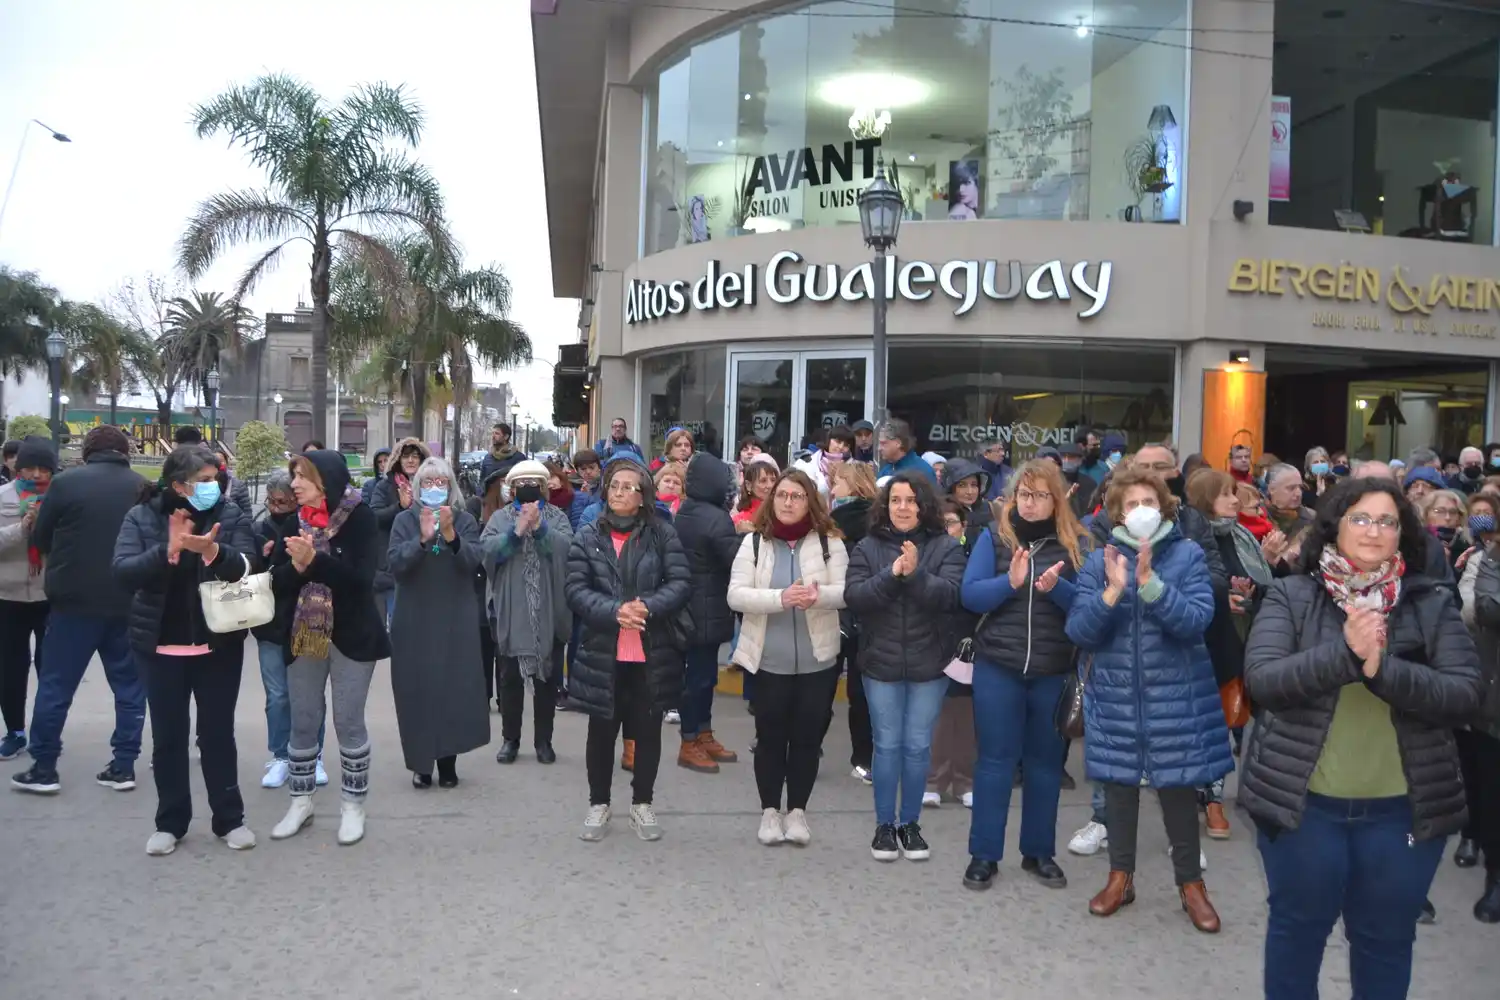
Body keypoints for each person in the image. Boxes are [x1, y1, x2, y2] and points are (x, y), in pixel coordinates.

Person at [1243, 477, 1484, 995]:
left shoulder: (1431, 602)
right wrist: (1345, 655)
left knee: (1385, 943)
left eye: (1387, 521)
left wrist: (1381, 671)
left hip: (1402, 813)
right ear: (1334, 526)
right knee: (1297, 936)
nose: (1374, 531)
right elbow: (1264, 682)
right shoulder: (1293, 594)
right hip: (1303, 809)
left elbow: (1465, 694)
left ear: (1403, 534)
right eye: (1361, 518)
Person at [1066, 465, 1230, 933]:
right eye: (1132, 504)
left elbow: (1197, 620)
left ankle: (1191, 885)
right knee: (1118, 789)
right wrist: (1114, 591)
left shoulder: (1188, 555)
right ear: (1117, 511)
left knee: (1177, 789)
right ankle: (1120, 877)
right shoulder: (1099, 563)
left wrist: (1152, 587)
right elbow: (1080, 630)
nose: (1141, 511)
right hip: (1116, 696)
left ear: (1164, 507)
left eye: (1149, 503)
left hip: (1174, 695)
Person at [114, 445, 258, 856]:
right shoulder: (141, 517)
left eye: (216, 478)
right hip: (159, 648)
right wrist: (168, 551)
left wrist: (211, 551)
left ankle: (229, 819)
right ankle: (170, 822)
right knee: (168, 739)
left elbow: (248, 568)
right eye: (204, 480)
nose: (214, 486)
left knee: (216, 736)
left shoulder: (228, 516)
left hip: (218, 646)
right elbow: (122, 572)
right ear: (178, 485)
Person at [960, 458, 1090, 890]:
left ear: (1057, 500)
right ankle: (984, 856)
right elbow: (971, 596)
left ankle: (1039, 853)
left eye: (1038, 496)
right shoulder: (994, 538)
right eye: (1022, 495)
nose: (1029, 504)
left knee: (1045, 765)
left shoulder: (1076, 545)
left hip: (1053, 670)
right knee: (995, 762)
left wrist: (1060, 589)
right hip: (999, 666)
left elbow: (1090, 611)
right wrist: (1009, 584)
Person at [12, 426, 147, 795]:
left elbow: (40, 537)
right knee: (130, 686)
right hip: (128, 600)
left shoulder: (67, 484)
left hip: (73, 601)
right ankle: (123, 765)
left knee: (56, 684)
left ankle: (44, 766)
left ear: (87, 452)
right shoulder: (141, 487)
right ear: (125, 452)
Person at [565, 458, 691, 842]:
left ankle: (642, 804)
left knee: (648, 731)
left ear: (643, 495)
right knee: (601, 732)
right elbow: (575, 589)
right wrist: (615, 611)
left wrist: (646, 606)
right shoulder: (588, 535)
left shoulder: (662, 534)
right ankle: (599, 804)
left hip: (651, 651)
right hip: (603, 650)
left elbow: (681, 582)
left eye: (628, 487)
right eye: (614, 486)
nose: (619, 492)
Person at [268, 450, 390, 846]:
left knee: (348, 720)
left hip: (353, 633)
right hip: (304, 634)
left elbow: (360, 581)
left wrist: (314, 562)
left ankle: (353, 805)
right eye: (293, 475)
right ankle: (300, 802)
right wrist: (296, 568)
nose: (295, 483)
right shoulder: (290, 521)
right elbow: (276, 583)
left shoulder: (361, 518)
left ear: (326, 480)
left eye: (302, 476)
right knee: (303, 718)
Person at [845, 472, 967, 862]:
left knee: (917, 748)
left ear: (924, 506)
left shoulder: (946, 547)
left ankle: (910, 825)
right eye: (896, 500)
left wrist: (915, 575)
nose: (903, 507)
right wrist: (892, 574)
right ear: (886, 505)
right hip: (880, 662)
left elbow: (951, 596)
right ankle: (884, 826)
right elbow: (856, 596)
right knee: (888, 746)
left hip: (928, 663)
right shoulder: (867, 546)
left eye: (911, 500)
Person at [728, 468, 848, 845]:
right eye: (781, 495)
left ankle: (797, 812)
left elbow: (846, 592)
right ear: (770, 500)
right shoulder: (755, 544)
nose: (788, 502)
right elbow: (736, 595)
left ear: (809, 500)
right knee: (770, 738)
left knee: (807, 739)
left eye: (796, 496)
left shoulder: (830, 542)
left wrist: (818, 596)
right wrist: (780, 599)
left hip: (819, 661)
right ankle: (769, 812)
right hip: (768, 661)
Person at [389, 456, 489, 788]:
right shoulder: (404, 520)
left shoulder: (465, 521)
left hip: (454, 616)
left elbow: (475, 564)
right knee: (417, 688)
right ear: (418, 487)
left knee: (453, 688)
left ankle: (448, 760)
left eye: (441, 483)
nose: (435, 489)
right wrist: (422, 540)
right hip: (414, 616)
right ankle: (421, 763)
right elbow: (396, 565)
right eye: (428, 483)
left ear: (451, 487)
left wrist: (450, 536)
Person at [1187, 468, 1275, 836]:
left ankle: (1212, 795)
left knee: (1224, 726)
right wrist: (1223, 598)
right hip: (1206, 647)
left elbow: (1263, 586)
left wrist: (1252, 589)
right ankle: (1211, 801)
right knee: (1206, 729)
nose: (1235, 500)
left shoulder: (1242, 536)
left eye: (1235, 493)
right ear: (1207, 499)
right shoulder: (1193, 536)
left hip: (1243, 643)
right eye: (1226, 494)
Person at [483, 460, 572, 766]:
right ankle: (510, 739)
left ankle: (543, 741)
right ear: (511, 489)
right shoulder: (499, 517)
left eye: (534, 483)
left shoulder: (557, 517)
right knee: (509, 678)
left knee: (547, 677)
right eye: (521, 484)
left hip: (548, 608)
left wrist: (540, 528)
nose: (528, 489)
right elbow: (487, 552)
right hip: (511, 608)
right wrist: (516, 533)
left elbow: (567, 552)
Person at [254, 472, 326, 789]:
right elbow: (248, 571)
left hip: (308, 620)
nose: (275, 506)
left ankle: (314, 755)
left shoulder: (315, 525)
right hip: (269, 622)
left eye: (282, 501)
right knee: (278, 696)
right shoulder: (258, 526)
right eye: (271, 501)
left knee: (309, 696)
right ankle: (281, 755)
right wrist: (263, 557)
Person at [672, 453, 743, 774]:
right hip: (705, 608)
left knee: (702, 677)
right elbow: (735, 560)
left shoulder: (688, 510)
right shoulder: (716, 518)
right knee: (699, 679)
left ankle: (703, 734)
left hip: (694, 607)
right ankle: (690, 742)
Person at [0, 437, 55, 761]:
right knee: (10, 668)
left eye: (43, 468)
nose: (36, 474)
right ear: (16, 468)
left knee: (50, 669)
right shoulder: (4, 497)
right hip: (7, 595)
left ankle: (45, 732)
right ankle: (15, 731)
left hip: (49, 595)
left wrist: (47, 526)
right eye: (29, 468)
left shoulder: (60, 498)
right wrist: (22, 528)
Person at [829, 460, 876, 782]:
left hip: (838, 612)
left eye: (838, 483)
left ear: (853, 485)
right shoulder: (880, 521)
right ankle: (865, 758)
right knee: (862, 693)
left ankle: (807, 749)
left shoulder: (834, 522)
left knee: (820, 687)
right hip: (868, 614)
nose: (832, 489)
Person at [1467, 545, 1500, 922]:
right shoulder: (1492, 559)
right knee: (1494, 798)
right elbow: (1489, 608)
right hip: (1495, 706)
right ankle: (1496, 876)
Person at [370, 438, 430, 626]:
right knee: (398, 624)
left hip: (425, 560)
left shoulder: (431, 484)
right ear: (398, 460)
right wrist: (399, 506)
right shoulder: (385, 486)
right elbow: (374, 516)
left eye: (415, 456)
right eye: (406, 457)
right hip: (392, 565)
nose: (411, 461)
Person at [794, 424, 854, 498]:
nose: (841, 447)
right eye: (838, 441)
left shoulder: (854, 468)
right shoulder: (805, 463)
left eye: (846, 445)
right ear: (828, 441)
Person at [876, 419, 937, 484]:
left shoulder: (922, 471)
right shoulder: (885, 471)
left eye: (884, 443)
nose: (879, 448)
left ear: (898, 443)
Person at [733, 454, 779, 532]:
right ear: (749, 485)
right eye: (763, 481)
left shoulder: (782, 514)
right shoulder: (739, 521)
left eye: (773, 480)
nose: (770, 485)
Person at [547, 460, 590, 530]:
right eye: (544, 479)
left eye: (551, 477)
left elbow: (578, 530)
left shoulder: (578, 499)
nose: (548, 482)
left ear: (560, 479)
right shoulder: (538, 503)